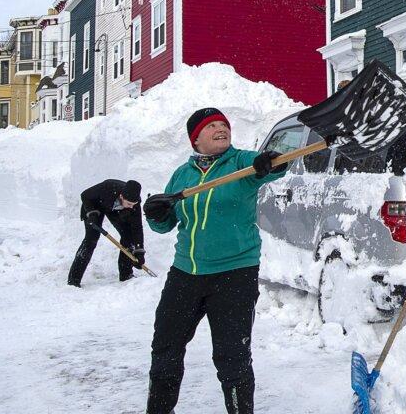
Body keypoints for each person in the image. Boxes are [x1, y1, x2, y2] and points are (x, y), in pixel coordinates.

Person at [142, 107, 287, 414]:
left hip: (234, 275)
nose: (221, 128)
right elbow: (166, 224)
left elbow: (274, 164)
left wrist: (269, 161)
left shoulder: (241, 163)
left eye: (224, 124)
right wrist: (155, 213)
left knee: (232, 357)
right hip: (185, 274)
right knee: (165, 350)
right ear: (196, 139)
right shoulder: (182, 176)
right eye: (212, 126)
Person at [67, 178, 144, 287]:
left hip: (115, 209)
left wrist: (139, 250)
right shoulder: (107, 187)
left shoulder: (134, 203)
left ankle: (126, 275)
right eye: (129, 203)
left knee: (129, 236)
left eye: (134, 204)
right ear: (122, 196)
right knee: (91, 239)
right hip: (94, 205)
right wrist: (92, 213)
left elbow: (137, 227)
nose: (132, 207)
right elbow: (85, 195)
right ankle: (73, 280)